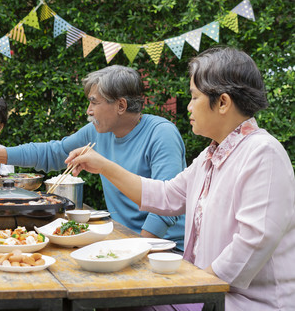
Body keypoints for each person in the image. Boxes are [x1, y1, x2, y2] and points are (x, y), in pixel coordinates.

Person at [66, 47, 295, 310]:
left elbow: (253, 241)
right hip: (209, 291)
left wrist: (192, 285)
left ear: (222, 102)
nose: (188, 106)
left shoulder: (262, 153)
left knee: (123, 299)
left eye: (194, 97)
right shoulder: (212, 155)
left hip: (244, 302)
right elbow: (166, 196)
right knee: (115, 296)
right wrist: (104, 166)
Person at [0, 65, 187, 250]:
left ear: (121, 105)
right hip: (122, 238)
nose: (88, 110)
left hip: (163, 247)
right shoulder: (96, 132)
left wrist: (135, 249)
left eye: (94, 102)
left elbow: (166, 209)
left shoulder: (161, 134)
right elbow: (53, 152)